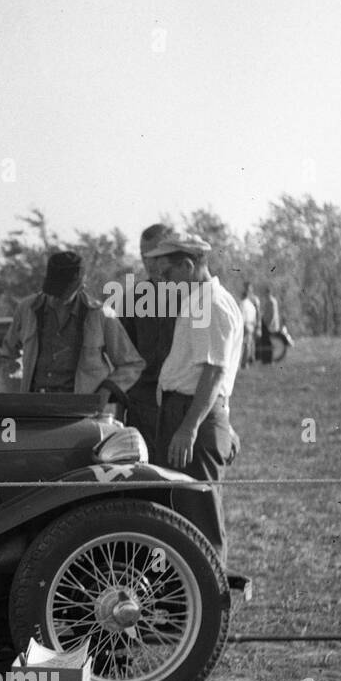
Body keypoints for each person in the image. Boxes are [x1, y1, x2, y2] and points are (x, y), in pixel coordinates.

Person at [146, 231, 243, 549]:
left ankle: (209, 594)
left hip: (192, 417)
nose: (163, 279)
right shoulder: (197, 301)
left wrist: (189, 428)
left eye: (167, 271)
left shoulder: (212, 304)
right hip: (185, 412)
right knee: (180, 515)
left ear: (187, 265)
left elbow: (214, 373)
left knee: (199, 516)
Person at [0, 250, 143, 407]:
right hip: (34, 407)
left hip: (81, 411)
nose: (56, 297)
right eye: (53, 290)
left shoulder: (101, 315)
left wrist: (107, 390)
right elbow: (7, 355)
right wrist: (17, 389)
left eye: (63, 292)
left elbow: (132, 364)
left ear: (81, 285)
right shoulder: (27, 309)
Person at [121, 224, 178, 452]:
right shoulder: (133, 298)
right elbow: (124, 357)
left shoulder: (190, 296)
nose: (148, 262)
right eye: (143, 255)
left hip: (178, 401)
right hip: (142, 403)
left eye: (155, 255)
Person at [260, 286, 294, 362]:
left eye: (266, 293)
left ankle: (268, 357)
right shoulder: (268, 301)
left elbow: (272, 314)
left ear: (268, 293)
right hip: (267, 322)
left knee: (268, 341)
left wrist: (267, 323)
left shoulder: (272, 301)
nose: (265, 294)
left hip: (270, 324)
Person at [239, 284, 260, 369]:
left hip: (245, 324)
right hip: (251, 325)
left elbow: (241, 315)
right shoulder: (250, 304)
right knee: (248, 345)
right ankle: (246, 362)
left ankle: (243, 363)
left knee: (244, 345)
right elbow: (255, 314)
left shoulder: (243, 303)